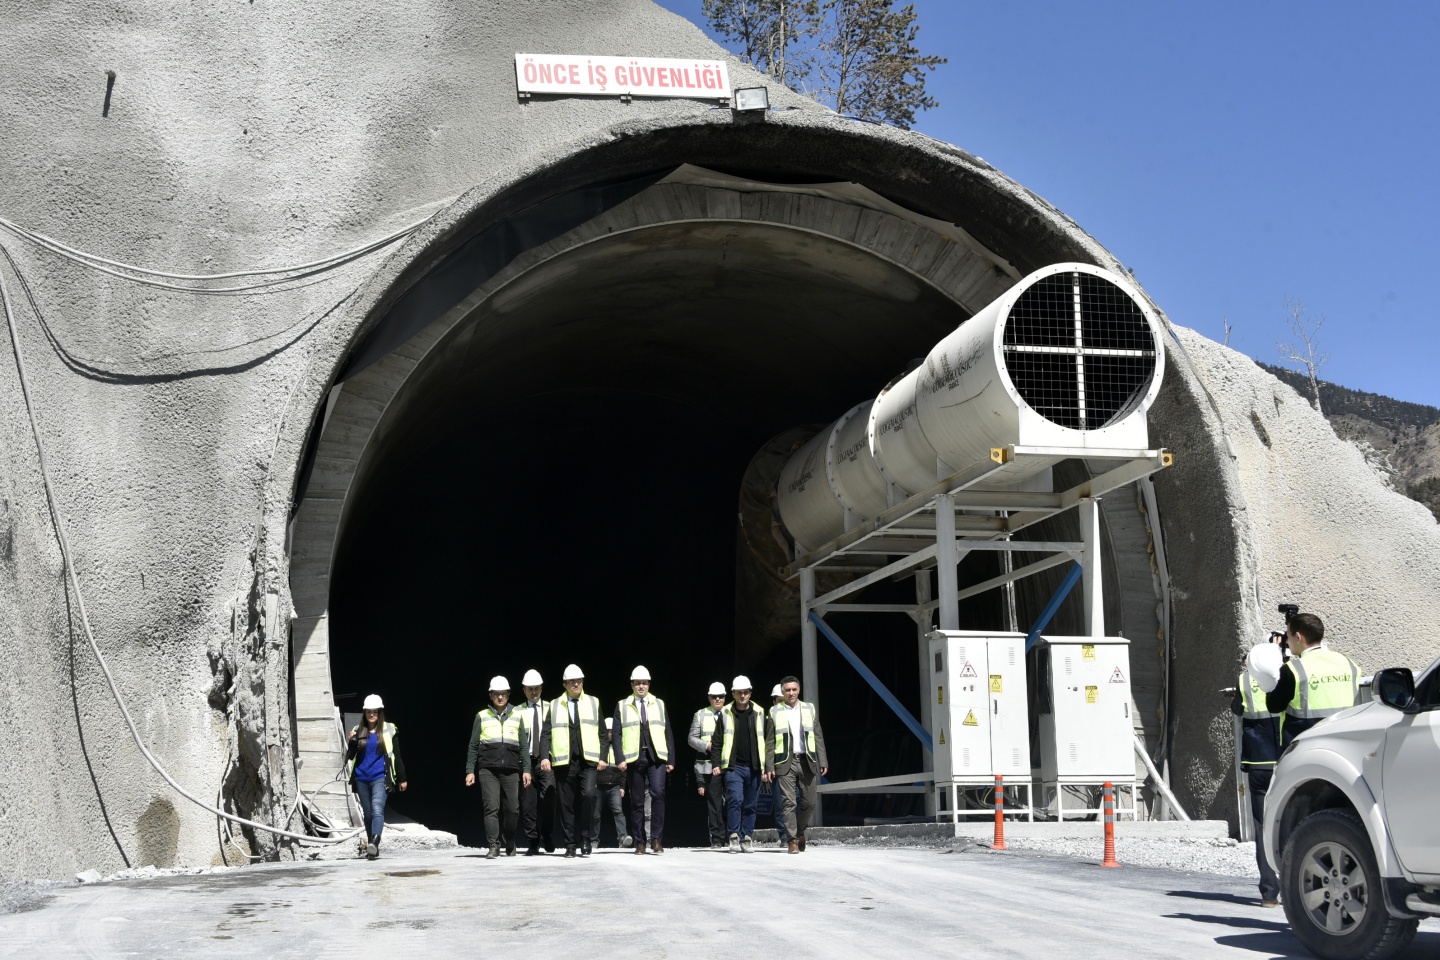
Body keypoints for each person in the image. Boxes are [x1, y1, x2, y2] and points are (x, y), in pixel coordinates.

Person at [1251, 612, 1362, 748]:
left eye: (1288, 636)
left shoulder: (1294, 669)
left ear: (1298, 637)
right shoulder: (1349, 664)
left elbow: (1275, 706)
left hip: (1306, 748)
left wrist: (1274, 665)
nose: (1287, 641)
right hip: (1345, 743)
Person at [1231, 660, 1282, 905]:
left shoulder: (1245, 680)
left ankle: (1270, 893)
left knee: (1262, 827)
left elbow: (1236, 709)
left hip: (1259, 762)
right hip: (1287, 760)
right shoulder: (1291, 674)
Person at [613, 665, 676, 854]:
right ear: (632, 685)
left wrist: (671, 758)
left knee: (658, 793)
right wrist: (620, 758)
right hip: (634, 757)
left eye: (644, 683)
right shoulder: (622, 705)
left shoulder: (659, 703)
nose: (641, 686)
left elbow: (668, 731)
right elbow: (616, 734)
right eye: (638, 683)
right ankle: (640, 841)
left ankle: (656, 839)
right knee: (637, 801)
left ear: (649, 684)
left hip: (656, 756)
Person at [464, 676, 527, 859]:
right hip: (488, 769)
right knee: (491, 807)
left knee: (513, 809)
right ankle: (493, 845)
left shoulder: (517, 715)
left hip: (511, 769)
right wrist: (470, 770)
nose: (500, 697)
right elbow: (473, 745)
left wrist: (528, 770)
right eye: (496, 694)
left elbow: (523, 745)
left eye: (503, 694)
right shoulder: (482, 716)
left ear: (508, 695)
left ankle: (510, 839)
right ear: (491, 695)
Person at [548, 663, 606, 858]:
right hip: (564, 762)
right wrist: (543, 757)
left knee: (589, 796)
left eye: (579, 681)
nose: (576, 684)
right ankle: (570, 844)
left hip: (587, 760)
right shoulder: (555, 705)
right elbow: (546, 734)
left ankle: (586, 836)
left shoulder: (593, 702)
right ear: (565, 684)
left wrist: (603, 757)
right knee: (566, 804)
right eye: (572, 681)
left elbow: (602, 733)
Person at [766, 675, 829, 854]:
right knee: (788, 803)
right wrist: (769, 766)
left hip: (806, 760)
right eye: (787, 690)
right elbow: (770, 742)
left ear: (798, 690)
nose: (791, 693)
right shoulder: (775, 711)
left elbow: (818, 736)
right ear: (782, 692)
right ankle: (792, 840)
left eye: (794, 690)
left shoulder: (809, 708)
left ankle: (800, 830)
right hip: (785, 761)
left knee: (810, 803)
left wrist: (822, 760)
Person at [346, 694, 408, 860]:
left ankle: (374, 841)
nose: (371, 715)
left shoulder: (389, 729)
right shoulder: (357, 731)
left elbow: (397, 755)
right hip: (361, 778)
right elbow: (350, 757)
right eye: (368, 712)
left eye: (375, 712)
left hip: (381, 776)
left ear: (380, 713)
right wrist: (352, 745)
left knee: (377, 809)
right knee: (367, 814)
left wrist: (402, 778)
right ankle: (372, 847)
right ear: (365, 713)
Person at [710, 675, 766, 853]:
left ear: (750, 693)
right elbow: (717, 741)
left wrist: (767, 767)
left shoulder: (759, 712)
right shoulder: (726, 713)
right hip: (734, 767)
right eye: (739, 692)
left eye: (746, 692)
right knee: (735, 799)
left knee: (750, 804)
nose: (742, 695)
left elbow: (767, 740)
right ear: (733, 694)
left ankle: (746, 838)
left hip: (755, 766)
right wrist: (716, 763)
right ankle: (733, 835)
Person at [516, 668, 556, 856]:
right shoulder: (517, 711)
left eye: (537, 688)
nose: (534, 692)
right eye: (530, 689)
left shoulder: (551, 708)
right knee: (529, 804)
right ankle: (533, 841)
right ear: (524, 690)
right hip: (526, 762)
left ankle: (547, 833)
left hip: (546, 761)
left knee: (549, 798)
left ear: (542, 688)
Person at [688, 682, 728, 849]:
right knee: (714, 803)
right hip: (709, 765)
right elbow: (691, 739)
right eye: (714, 696)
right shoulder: (700, 714)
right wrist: (707, 746)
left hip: (730, 763)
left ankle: (734, 834)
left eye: (721, 696)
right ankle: (717, 837)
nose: (717, 699)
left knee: (734, 801)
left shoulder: (731, 713)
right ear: (709, 698)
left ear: (726, 697)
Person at [592, 717, 630, 848]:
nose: (611, 734)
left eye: (613, 731)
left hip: (615, 786)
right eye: (608, 731)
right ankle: (593, 841)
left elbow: (623, 769)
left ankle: (623, 838)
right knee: (595, 814)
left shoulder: (619, 749)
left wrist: (622, 786)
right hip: (598, 785)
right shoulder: (597, 747)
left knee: (618, 812)